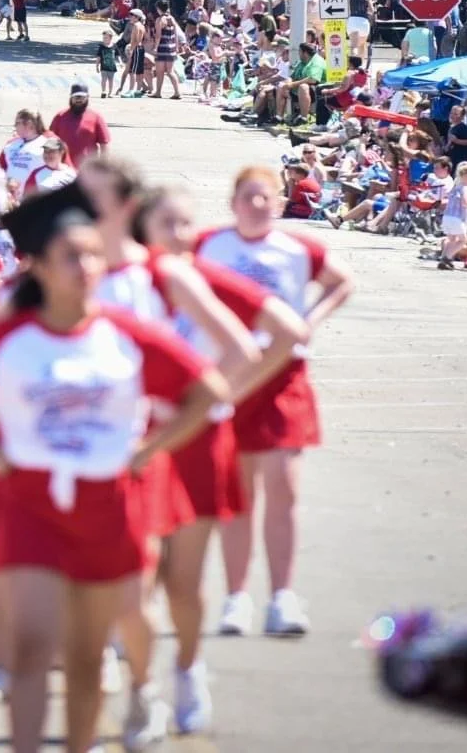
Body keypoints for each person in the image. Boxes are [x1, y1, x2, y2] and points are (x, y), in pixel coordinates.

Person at [0, 184, 228, 753]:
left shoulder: (126, 334)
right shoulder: (9, 340)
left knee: (87, 661)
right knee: (35, 646)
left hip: (109, 506)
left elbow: (206, 389)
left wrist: (146, 451)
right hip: (32, 508)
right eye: (71, 255)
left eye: (93, 253)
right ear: (37, 265)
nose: (87, 266)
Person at [134, 186, 308, 733]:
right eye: (168, 223)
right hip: (132, 444)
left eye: (188, 223)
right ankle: (141, 689)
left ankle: (187, 669)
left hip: (197, 442)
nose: (182, 235)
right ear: (144, 229)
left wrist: (223, 395)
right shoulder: (124, 284)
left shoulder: (210, 284)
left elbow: (286, 333)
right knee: (134, 572)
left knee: (182, 580)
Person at [197, 165, 356, 639]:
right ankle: (236, 597)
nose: (256, 205)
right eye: (247, 196)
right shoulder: (209, 245)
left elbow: (342, 282)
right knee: (238, 494)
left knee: (283, 488)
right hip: (232, 376)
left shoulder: (296, 249)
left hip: (283, 377)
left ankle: (283, 596)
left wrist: (308, 320)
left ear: (280, 204)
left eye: (265, 197)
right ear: (232, 202)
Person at [47, 82, 111, 168]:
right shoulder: (60, 117)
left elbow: (104, 144)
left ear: (87, 97)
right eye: (76, 97)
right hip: (63, 168)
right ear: (71, 98)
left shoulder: (96, 117)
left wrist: (103, 166)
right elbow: (50, 141)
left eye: (82, 97)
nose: (78, 100)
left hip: (88, 169)